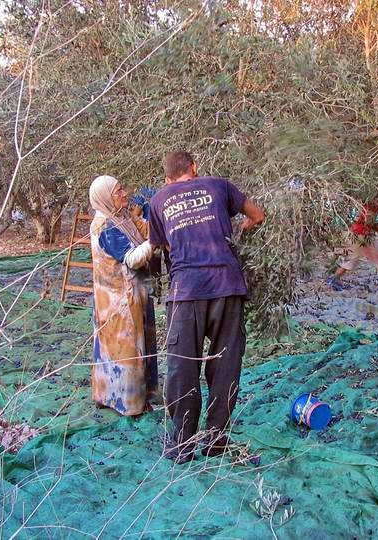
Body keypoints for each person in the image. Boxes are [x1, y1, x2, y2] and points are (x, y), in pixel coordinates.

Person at [148, 151, 265, 463]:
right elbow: (258, 215)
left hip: (186, 290)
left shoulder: (158, 200)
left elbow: (167, 247)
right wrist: (238, 232)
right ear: (194, 169)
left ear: (167, 176)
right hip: (227, 285)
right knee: (226, 366)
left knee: (182, 368)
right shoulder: (218, 185)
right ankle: (215, 441)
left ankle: (182, 444)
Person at [89, 175, 158, 416]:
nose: (124, 194)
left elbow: (142, 230)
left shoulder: (120, 218)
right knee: (124, 349)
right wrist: (156, 240)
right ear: (107, 197)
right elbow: (132, 259)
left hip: (127, 295)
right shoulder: (106, 227)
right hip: (119, 301)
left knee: (121, 348)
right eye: (118, 191)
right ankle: (128, 402)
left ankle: (114, 395)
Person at [327, 199, 378, 293]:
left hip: (359, 235)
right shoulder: (371, 205)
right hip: (359, 236)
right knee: (374, 257)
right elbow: (374, 226)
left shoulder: (368, 204)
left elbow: (371, 225)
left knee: (354, 259)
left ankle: (334, 280)